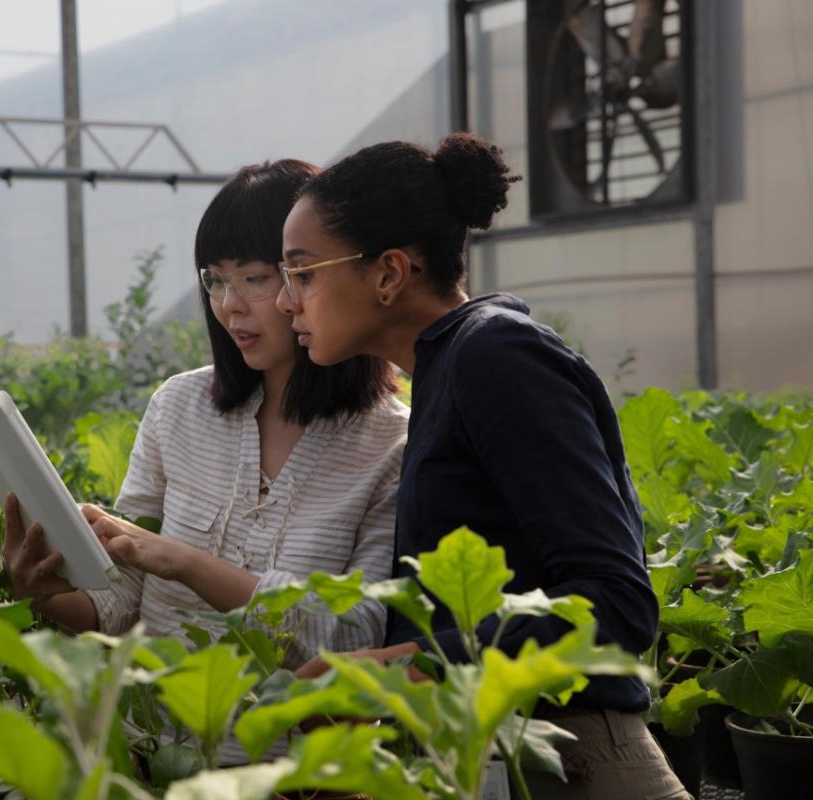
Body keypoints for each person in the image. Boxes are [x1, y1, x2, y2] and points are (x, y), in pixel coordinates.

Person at [278, 135, 687, 800]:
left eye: (303, 273)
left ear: (388, 273)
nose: (283, 302)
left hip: (576, 759)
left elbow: (614, 603)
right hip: (506, 755)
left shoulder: (497, 356)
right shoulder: (447, 371)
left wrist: (393, 671)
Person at [0, 159, 409, 674]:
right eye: (214, 280)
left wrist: (186, 562)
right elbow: (125, 599)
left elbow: (355, 636)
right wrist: (44, 594)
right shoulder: (178, 407)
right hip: (156, 748)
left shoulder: (392, 445)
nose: (228, 305)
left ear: (311, 276)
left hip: (295, 755)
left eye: (254, 277)